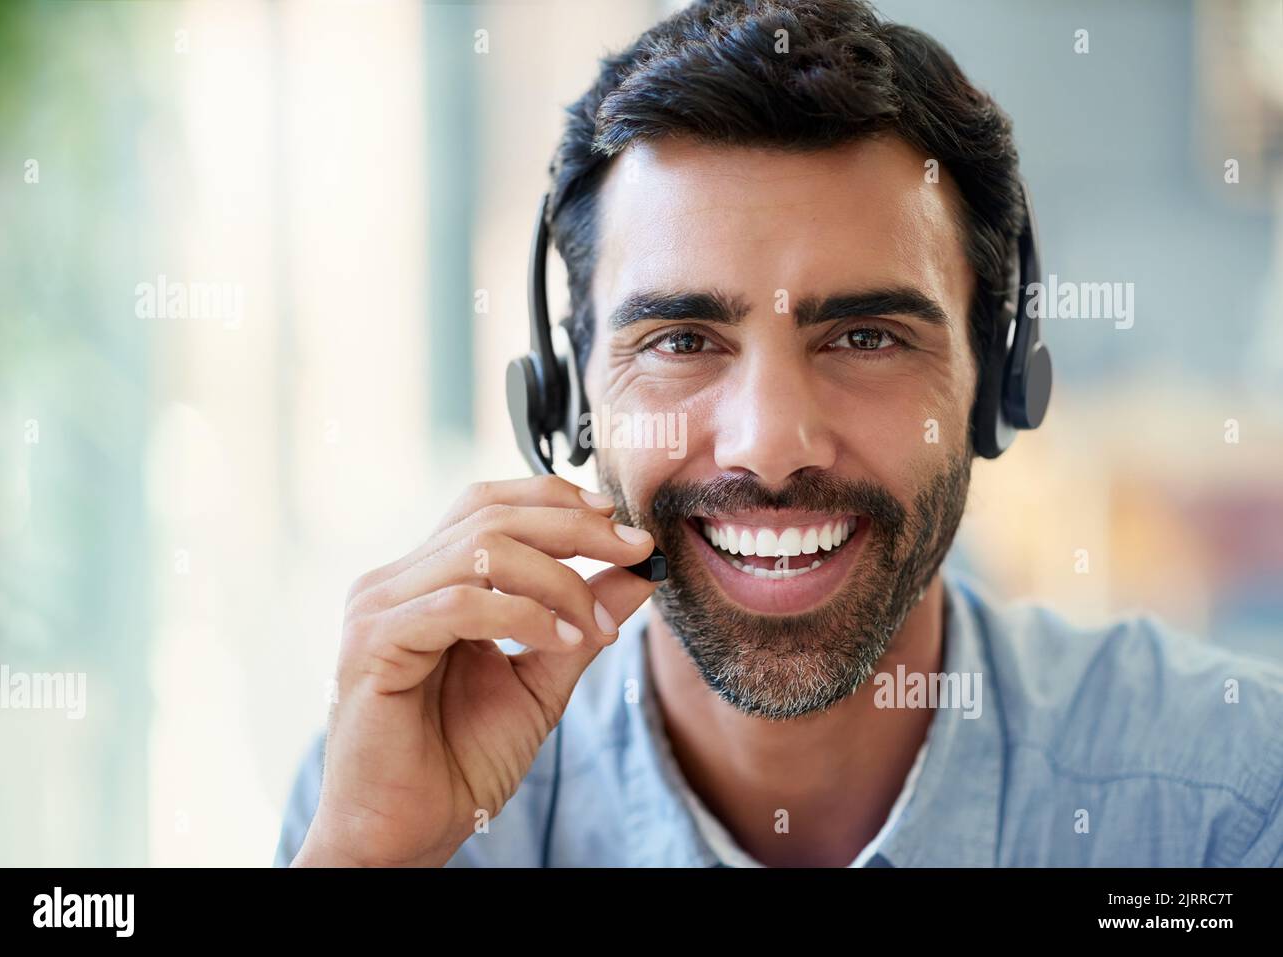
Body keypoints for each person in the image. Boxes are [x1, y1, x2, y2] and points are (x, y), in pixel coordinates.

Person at [274, 0, 1283, 867]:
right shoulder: (401, 792)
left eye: (864, 335)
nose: (768, 445)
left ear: (996, 388)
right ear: (569, 402)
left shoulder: (1229, 806)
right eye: (681, 338)